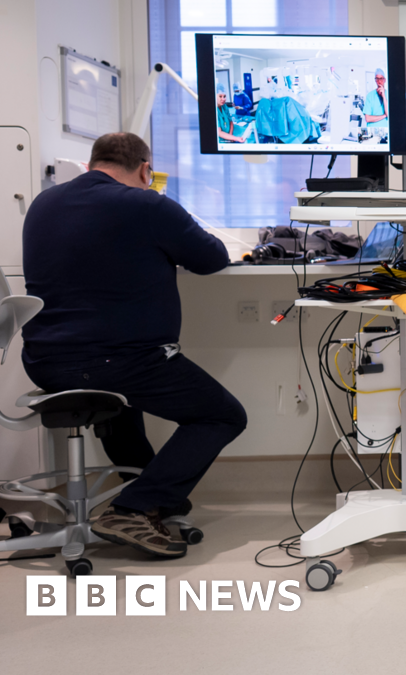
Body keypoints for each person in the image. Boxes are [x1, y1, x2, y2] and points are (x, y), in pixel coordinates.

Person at [21, 132, 246, 559]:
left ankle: (153, 499)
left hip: (45, 362)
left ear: (90, 165)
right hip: (118, 362)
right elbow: (212, 258)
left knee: (123, 406)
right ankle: (134, 508)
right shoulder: (147, 204)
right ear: (146, 169)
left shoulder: (43, 203)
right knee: (223, 415)